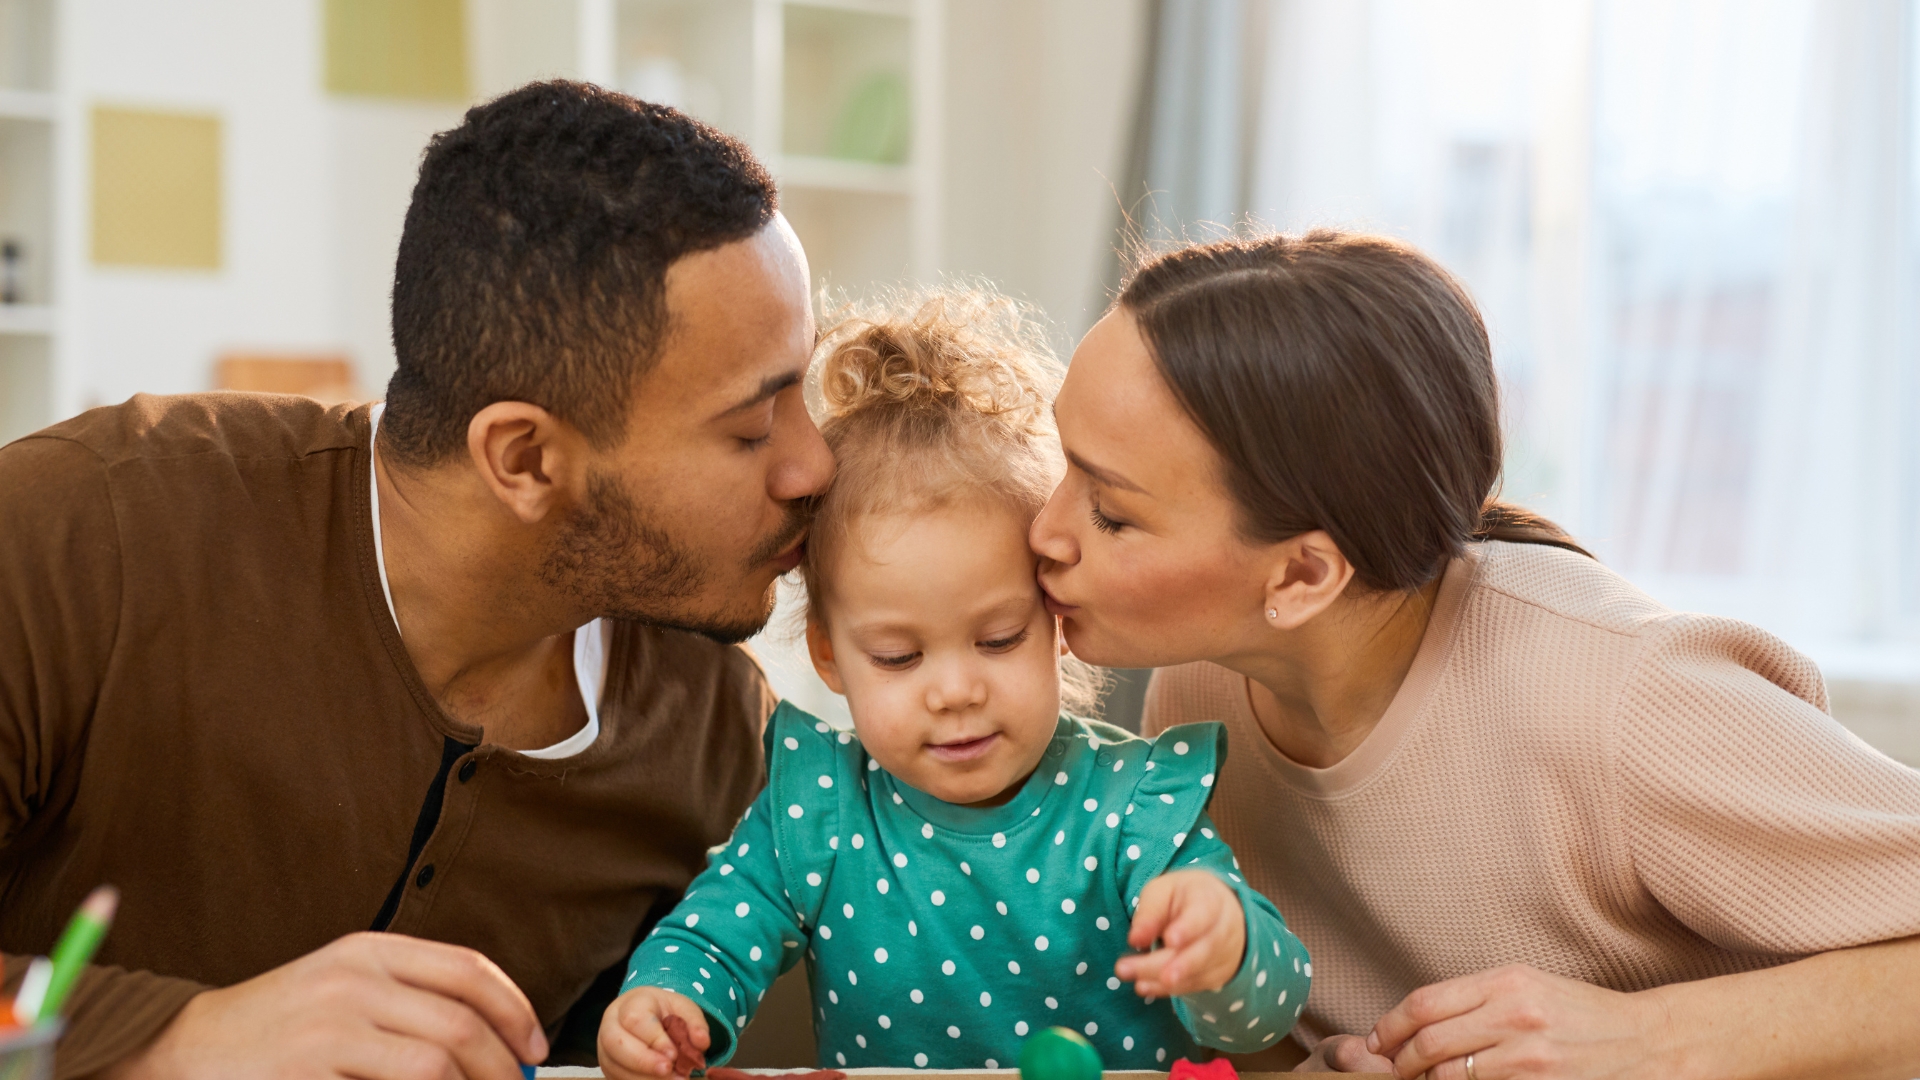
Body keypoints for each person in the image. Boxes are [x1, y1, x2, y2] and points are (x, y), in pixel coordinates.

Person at [0, 81, 833, 1079]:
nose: (813, 465)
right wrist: (176, 1037)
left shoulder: (713, 735)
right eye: (750, 428)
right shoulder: (80, 533)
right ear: (522, 459)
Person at [1028, 231, 1920, 1080]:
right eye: (1059, 463)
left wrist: (1648, 1042)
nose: (1044, 532)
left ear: (1303, 574)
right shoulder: (1200, 688)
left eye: (1110, 512)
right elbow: (1268, 1013)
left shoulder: (1621, 696)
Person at [598, 292, 1311, 1079]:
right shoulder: (820, 812)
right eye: (900, 658)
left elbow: (1262, 1022)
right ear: (831, 657)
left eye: (999, 639)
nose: (955, 691)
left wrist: (1230, 947)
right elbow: (708, 939)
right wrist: (664, 1005)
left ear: (1054, 625)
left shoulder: (1133, 811)